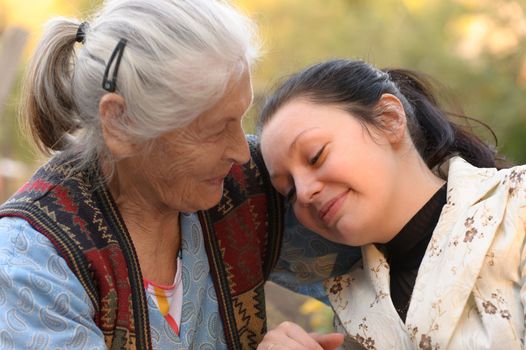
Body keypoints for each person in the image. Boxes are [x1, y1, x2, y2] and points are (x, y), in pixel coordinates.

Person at [0, 2, 359, 349]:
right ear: (121, 123)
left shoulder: (245, 186)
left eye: (240, 118)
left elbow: (393, 237)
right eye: (215, 129)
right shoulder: (32, 266)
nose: (240, 150)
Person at [256, 59, 526, 349]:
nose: (305, 192)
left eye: (315, 156)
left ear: (389, 119)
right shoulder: (351, 308)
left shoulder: (517, 207)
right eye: (290, 190)